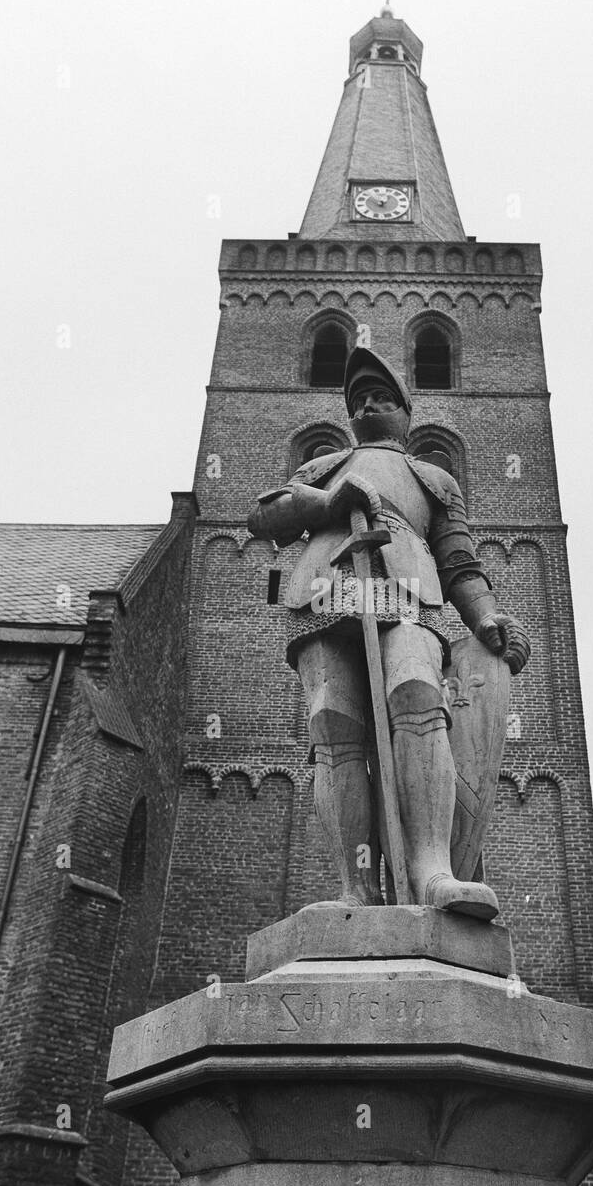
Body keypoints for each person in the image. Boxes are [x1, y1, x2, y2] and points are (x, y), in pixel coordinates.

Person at [247, 347, 530, 921]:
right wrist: (329, 502)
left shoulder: (433, 477)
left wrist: (486, 618)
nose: (368, 405)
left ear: (405, 411)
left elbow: (460, 564)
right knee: (335, 723)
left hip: (407, 588)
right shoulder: (322, 466)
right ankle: (357, 886)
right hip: (327, 589)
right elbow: (266, 516)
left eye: (381, 396)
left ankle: (431, 871)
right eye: (357, 400)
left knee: (418, 697)